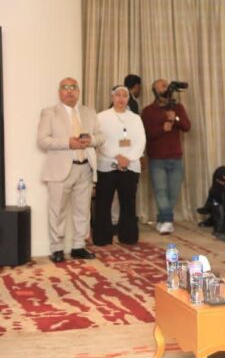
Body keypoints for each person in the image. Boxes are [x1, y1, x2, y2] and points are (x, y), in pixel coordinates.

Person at [37, 77, 104, 262]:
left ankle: (78, 246)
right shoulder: (50, 113)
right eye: (65, 87)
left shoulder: (89, 112)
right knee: (57, 211)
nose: (70, 91)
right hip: (60, 170)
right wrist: (68, 143)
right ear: (60, 92)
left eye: (73, 87)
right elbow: (42, 140)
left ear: (78, 91)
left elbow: (101, 136)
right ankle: (57, 248)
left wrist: (91, 140)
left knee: (83, 210)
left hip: (86, 168)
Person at [93, 86, 146, 246]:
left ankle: (128, 236)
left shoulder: (135, 118)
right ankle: (102, 238)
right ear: (112, 97)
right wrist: (117, 156)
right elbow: (101, 140)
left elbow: (141, 140)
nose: (121, 98)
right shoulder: (101, 117)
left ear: (128, 98)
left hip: (130, 165)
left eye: (124, 95)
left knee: (128, 202)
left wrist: (128, 158)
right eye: (118, 95)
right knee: (103, 202)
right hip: (107, 164)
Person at [141, 79, 191, 234]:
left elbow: (187, 126)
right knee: (160, 190)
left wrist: (175, 118)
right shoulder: (148, 111)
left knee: (173, 192)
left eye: (166, 85)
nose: (166, 88)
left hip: (176, 157)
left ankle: (162, 219)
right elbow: (146, 134)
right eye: (162, 86)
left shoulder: (178, 108)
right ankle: (168, 220)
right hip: (157, 158)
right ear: (155, 91)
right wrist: (162, 128)